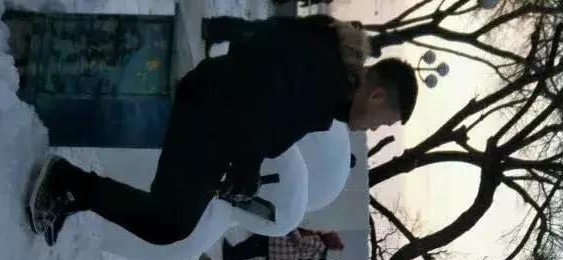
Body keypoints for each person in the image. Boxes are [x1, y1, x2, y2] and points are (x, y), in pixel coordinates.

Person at [26, 16, 418, 247]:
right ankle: (66, 183)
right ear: (378, 94)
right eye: (383, 119)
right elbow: (259, 86)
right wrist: (247, 162)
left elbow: (267, 90)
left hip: (218, 123)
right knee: (169, 224)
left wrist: (244, 165)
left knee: (172, 223)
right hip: (208, 112)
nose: (374, 128)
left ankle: (71, 191)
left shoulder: (328, 73)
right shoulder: (326, 77)